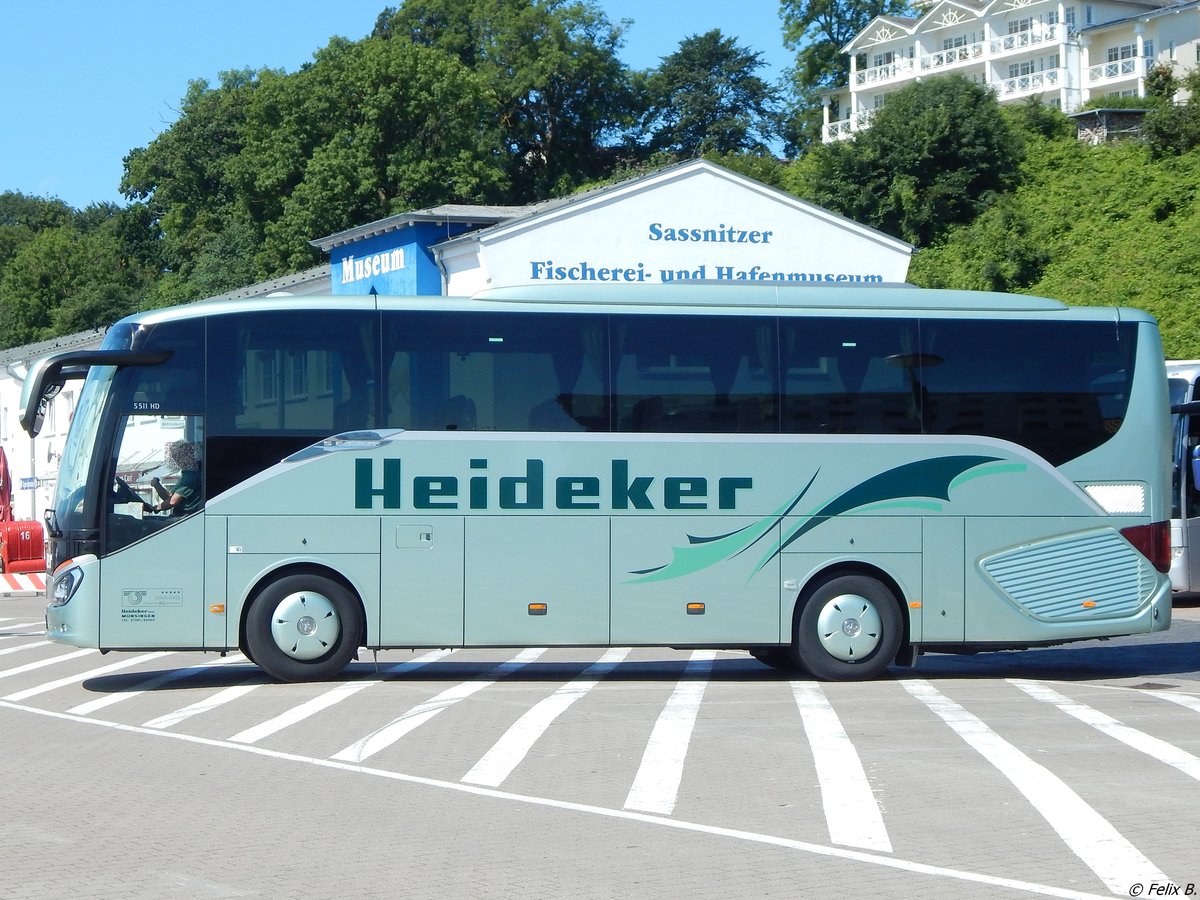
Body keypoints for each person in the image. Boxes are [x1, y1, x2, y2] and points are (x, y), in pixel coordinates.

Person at [150, 440, 203, 516]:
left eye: (178, 456)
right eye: (174, 457)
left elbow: (172, 502)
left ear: (189, 454)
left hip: (186, 516)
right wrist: (157, 485)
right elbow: (169, 498)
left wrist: (155, 508)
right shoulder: (187, 472)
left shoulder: (191, 474)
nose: (176, 460)